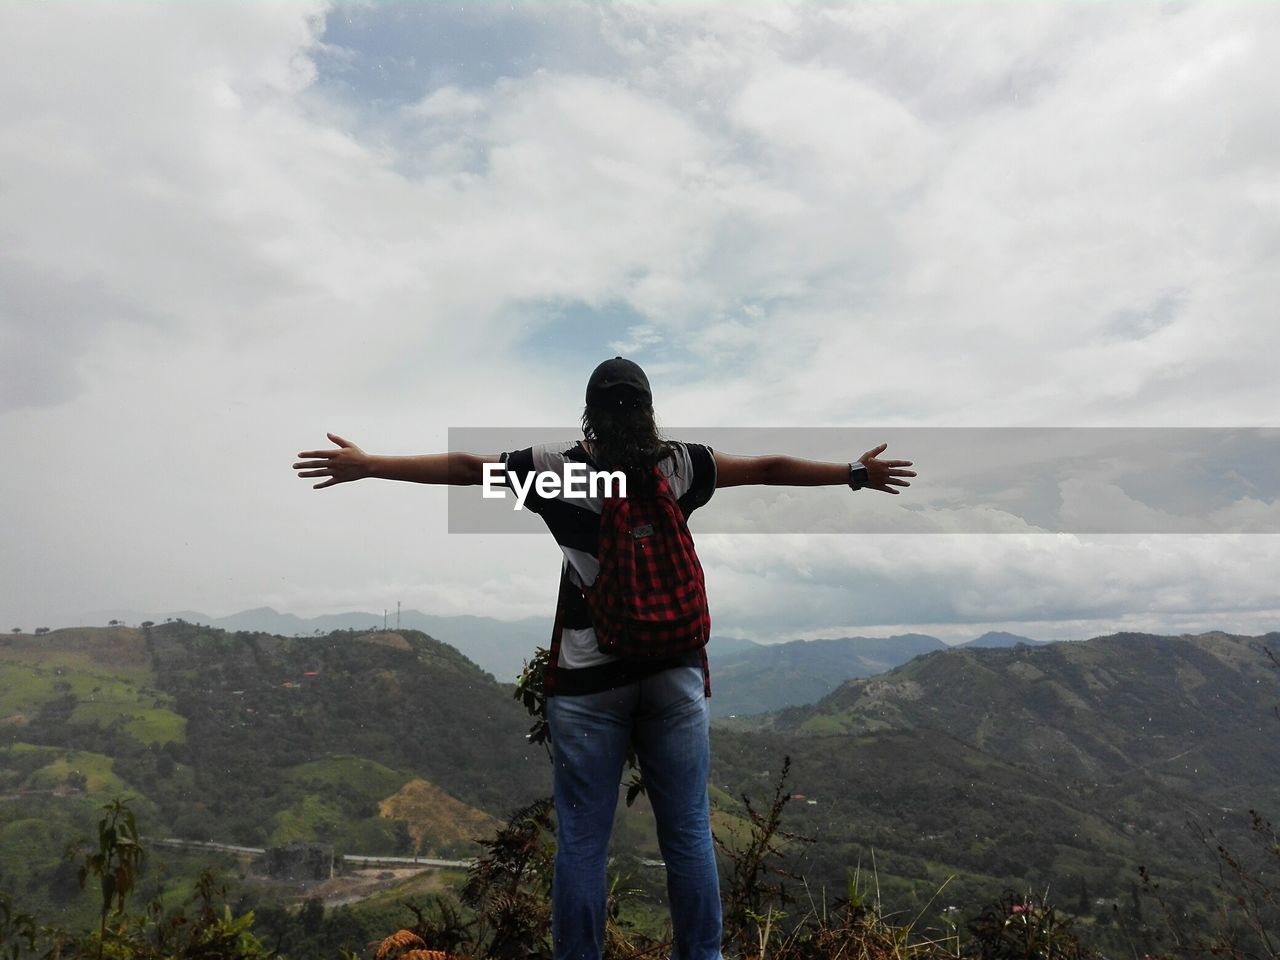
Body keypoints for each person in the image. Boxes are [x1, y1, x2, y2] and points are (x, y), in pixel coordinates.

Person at [292, 356, 915, 960]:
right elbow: (770, 467)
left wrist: (370, 465)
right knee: (690, 835)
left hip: (590, 683)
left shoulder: (554, 471)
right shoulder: (681, 466)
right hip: (674, 673)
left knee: (584, 845)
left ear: (589, 416)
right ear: (648, 413)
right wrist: (853, 474)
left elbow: (463, 467)